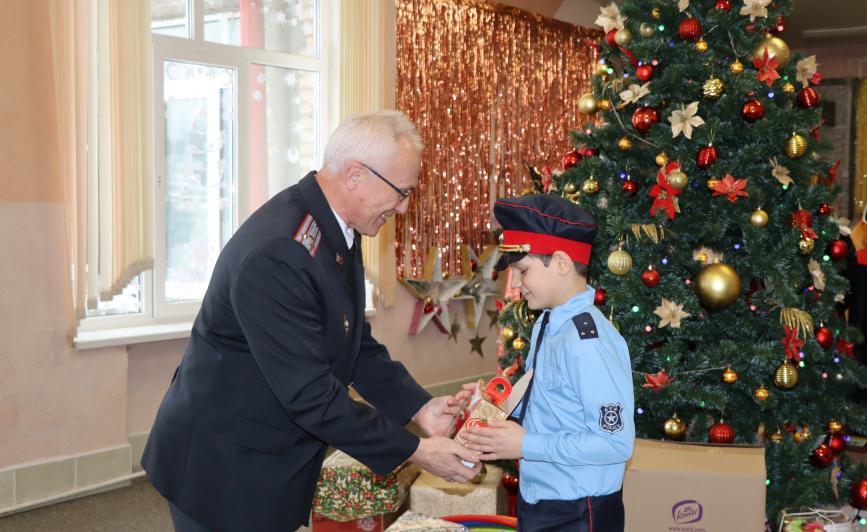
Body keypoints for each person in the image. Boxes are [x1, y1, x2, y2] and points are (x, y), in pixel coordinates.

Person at [142, 111, 481, 532]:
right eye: (401, 192)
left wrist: (421, 408)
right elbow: (310, 394)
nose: (403, 207)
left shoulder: (333, 225)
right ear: (355, 175)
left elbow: (351, 342)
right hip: (222, 469)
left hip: (264, 456)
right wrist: (415, 450)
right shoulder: (280, 252)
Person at [461, 194, 635, 532]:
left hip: (578, 510)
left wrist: (525, 444)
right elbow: (548, 401)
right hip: (542, 496)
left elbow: (615, 442)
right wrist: (492, 403)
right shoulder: (549, 321)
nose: (514, 284)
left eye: (522, 270)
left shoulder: (588, 343)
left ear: (561, 263)